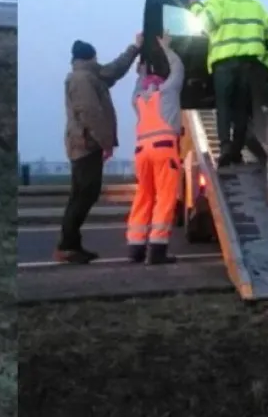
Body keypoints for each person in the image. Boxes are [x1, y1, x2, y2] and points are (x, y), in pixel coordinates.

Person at [57, 34, 142, 264]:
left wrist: (134, 48)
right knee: (84, 194)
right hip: (86, 145)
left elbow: (113, 71)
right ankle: (67, 245)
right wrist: (105, 142)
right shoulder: (83, 79)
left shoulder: (89, 75)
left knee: (83, 194)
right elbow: (91, 114)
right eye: (95, 57)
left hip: (86, 143)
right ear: (90, 57)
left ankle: (71, 244)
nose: (98, 60)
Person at [190, 0, 268, 167]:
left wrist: (195, 7)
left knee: (224, 107)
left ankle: (225, 148)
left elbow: (205, 23)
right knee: (241, 109)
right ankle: (236, 150)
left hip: (225, 64)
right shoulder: (253, 2)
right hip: (250, 64)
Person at [125, 33, 185, 264]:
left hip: (141, 152)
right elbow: (177, 68)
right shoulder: (167, 94)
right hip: (164, 151)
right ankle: (158, 250)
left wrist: (140, 72)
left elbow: (139, 84)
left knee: (143, 196)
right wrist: (166, 48)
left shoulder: (138, 100)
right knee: (165, 197)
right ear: (160, 83)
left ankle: (136, 247)